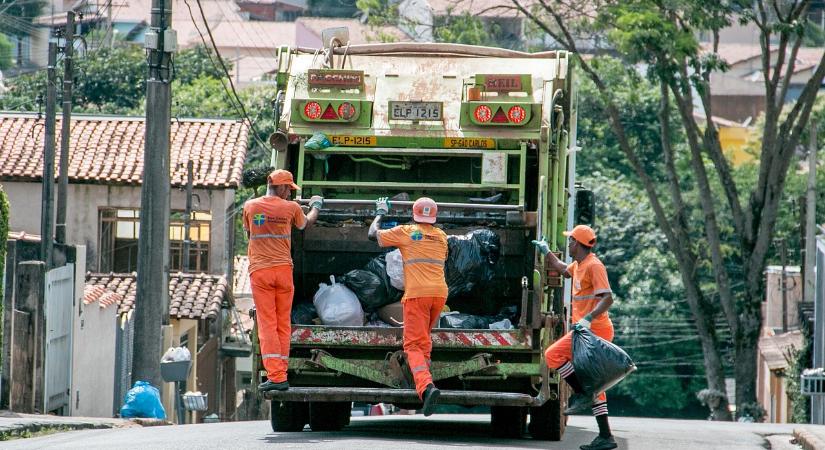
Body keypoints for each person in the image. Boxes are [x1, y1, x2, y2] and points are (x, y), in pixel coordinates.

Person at [533, 225, 617, 450]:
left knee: (552, 355)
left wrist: (588, 318)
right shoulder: (579, 265)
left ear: (578, 244)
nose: (568, 244)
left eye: (570, 241)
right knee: (596, 386)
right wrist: (546, 251)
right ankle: (605, 435)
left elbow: (608, 298)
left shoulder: (594, 266)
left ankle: (581, 394)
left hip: (594, 331)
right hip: (585, 331)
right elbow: (563, 269)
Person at [243, 169, 323, 392]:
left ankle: (277, 376)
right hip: (283, 272)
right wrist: (317, 205)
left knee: (268, 324)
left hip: (261, 272)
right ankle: (281, 371)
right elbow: (306, 224)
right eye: (287, 187)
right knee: (282, 324)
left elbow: (249, 234)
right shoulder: (292, 208)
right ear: (276, 185)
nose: (289, 192)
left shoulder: (250, 206)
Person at [368, 196, 447, 416]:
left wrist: (381, 212)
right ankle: (423, 378)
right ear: (434, 216)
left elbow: (372, 234)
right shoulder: (441, 236)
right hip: (439, 294)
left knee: (412, 345)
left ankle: (425, 387)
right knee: (424, 341)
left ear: (414, 214)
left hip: (417, 296)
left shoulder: (407, 232)